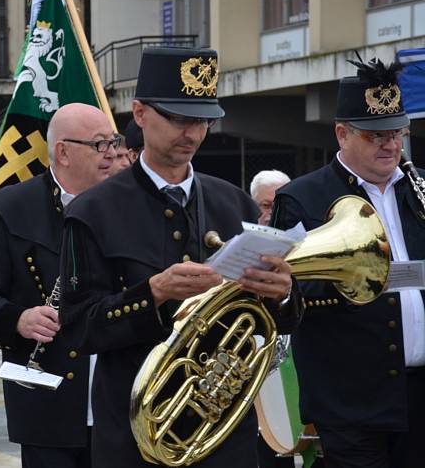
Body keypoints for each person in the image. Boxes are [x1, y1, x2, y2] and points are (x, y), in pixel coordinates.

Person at [59, 47, 303, 468]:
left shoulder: (235, 203)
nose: (191, 132)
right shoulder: (91, 211)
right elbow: (78, 328)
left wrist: (283, 295)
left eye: (203, 120)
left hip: (224, 435)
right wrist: (152, 293)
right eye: (177, 117)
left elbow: (276, 321)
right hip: (136, 437)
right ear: (138, 114)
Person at [271, 57, 425, 468]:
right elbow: (291, 295)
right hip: (351, 402)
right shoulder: (302, 198)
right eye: (376, 136)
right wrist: (365, 277)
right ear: (342, 134)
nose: (391, 145)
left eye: (397, 133)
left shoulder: (420, 187)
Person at [0, 103, 120, 468]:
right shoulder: (9, 208)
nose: (111, 153)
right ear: (62, 151)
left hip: (122, 402)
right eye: (99, 144)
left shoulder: (131, 204)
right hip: (48, 404)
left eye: (114, 142)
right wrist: (17, 319)